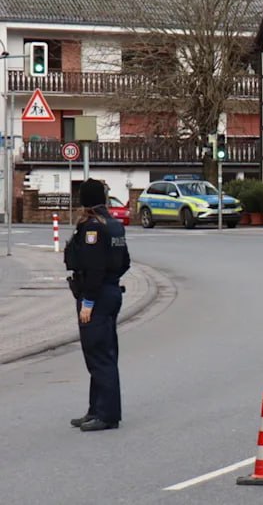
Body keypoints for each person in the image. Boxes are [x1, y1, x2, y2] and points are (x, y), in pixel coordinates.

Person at [64, 178, 130, 432]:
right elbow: (125, 262)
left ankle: (107, 415)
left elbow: (93, 269)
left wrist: (88, 302)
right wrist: (111, 282)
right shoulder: (113, 226)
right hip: (111, 292)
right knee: (101, 353)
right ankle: (96, 409)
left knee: (99, 355)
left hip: (97, 296)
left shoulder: (93, 228)